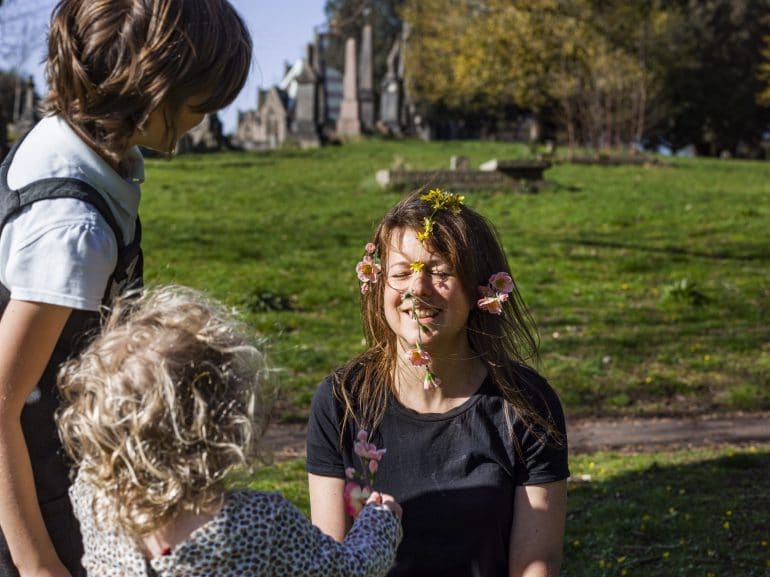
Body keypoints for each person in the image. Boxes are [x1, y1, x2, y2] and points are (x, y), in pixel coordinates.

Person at [0, 2, 252, 575]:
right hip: (33, 509)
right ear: (151, 91)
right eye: (200, 103)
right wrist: (39, 565)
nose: (205, 118)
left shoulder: (67, 146)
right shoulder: (72, 232)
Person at [306, 189, 570, 577]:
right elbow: (331, 562)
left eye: (441, 272)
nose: (418, 288)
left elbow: (536, 566)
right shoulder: (340, 401)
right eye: (401, 273)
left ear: (480, 288)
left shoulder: (527, 405)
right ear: (378, 284)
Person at [55, 285, 403, 577]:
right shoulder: (257, 523)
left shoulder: (93, 499)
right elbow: (347, 571)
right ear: (227, 420)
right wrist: (379, 523)